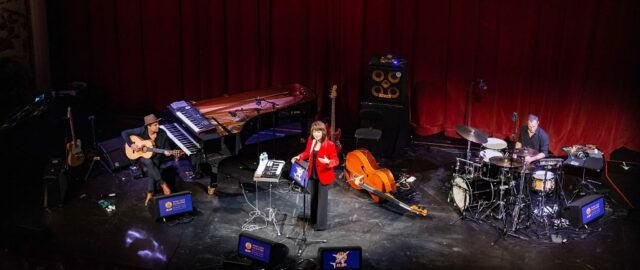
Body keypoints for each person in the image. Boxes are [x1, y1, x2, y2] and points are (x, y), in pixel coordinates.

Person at [291, 121, 339, 231]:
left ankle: (321, 225)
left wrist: (328, 162)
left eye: (318, 131)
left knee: (322, 201)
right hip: (312, 174)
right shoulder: (311, 141)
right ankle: (313, 220)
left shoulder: (330, 145)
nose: (316, 134)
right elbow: (307, 153)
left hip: (324, 176)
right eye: (314, 132)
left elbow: (336, 161)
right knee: (313, 199)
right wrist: (298, 157)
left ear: (323, 132)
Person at [122, 114, 178, 205]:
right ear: (148, 126)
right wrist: (131, 144)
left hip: (156, 156)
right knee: (149, 162)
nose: (158, 126)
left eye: (158, 124)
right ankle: (163, 184)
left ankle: (150, 192)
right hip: (140, 155)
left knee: (153, 165)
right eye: (155, 125)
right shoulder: (141, 130)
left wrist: (168, 152)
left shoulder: (162, 133)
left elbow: (167, 148)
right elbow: (124, 133)